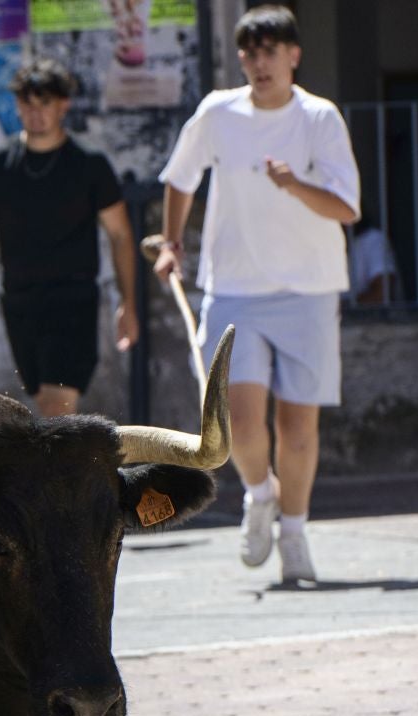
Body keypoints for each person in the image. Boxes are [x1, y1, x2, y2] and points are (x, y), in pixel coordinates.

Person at [154, 5, 359, 585]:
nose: (260, 63)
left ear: (294, 55)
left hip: (309, 290)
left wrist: (294, 183)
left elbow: (346, 208)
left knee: (297, 427)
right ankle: (259, 493)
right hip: (235, 289)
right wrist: (171, 243)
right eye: (250, 52)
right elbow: (180, 177)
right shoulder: (219, 113)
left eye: (271, 51)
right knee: (237, 423)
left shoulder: (319, 118)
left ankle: (293, 531)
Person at [0, 58, 139, 418]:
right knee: (46, 404)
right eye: (28, 103)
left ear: (63, 105)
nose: (36, 113)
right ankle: (75, 455)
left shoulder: (89, 164)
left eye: (45, 103)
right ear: (18, 105)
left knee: (56, 405)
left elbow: (120, 234)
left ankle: (67, 457)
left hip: (72, 301)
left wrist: (127, 301)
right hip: (20, 300)